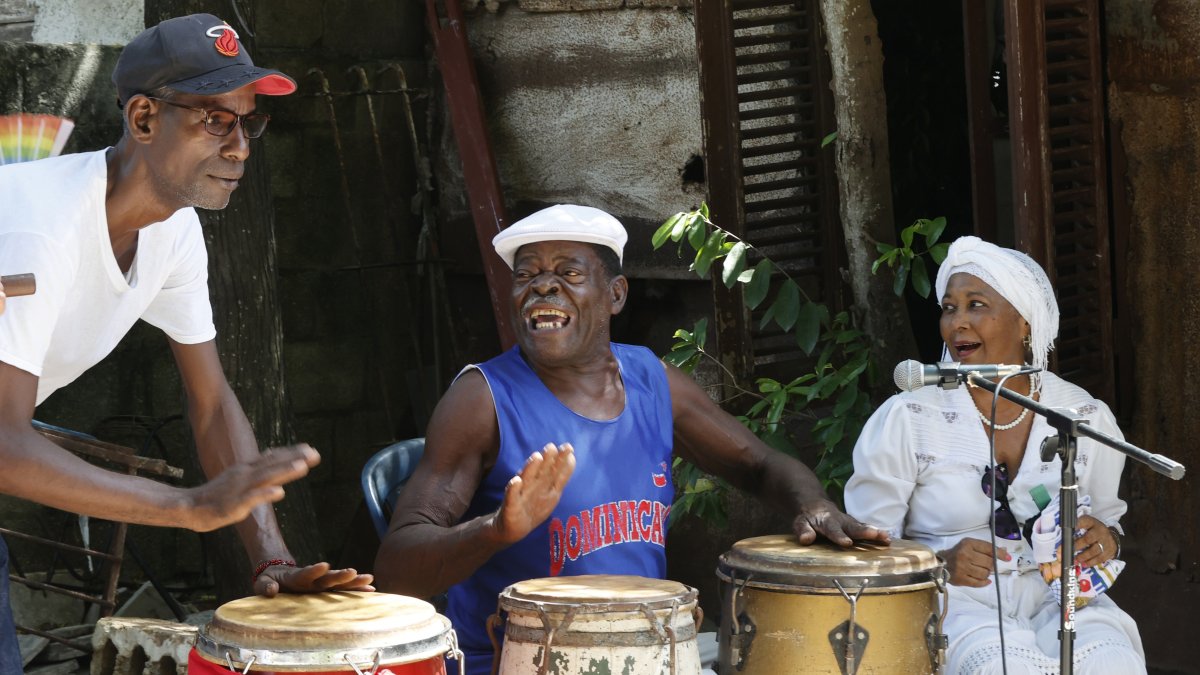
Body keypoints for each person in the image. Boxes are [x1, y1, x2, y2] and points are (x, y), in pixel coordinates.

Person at [0, 13, 372, 672]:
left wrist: (270, 556)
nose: (241, 148)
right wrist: (189, 506)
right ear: (143, 119)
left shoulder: (173, 231)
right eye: (215, 121)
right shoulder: (35, 225)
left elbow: (210, 401)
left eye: (248, 122)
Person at [373, 203, 889, 673]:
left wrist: (812, 503)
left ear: (615, 294)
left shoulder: (650, 381)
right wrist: (495, 530)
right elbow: (396, 569)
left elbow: (757, 464)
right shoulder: (481, 398)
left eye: (569, 273)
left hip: (648, 656)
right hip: (517, 662)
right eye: (526, 275)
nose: (543, 287)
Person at [844, 236, 1145, 674]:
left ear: (1025, 323)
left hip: (1061, 599)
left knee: (1111, 663)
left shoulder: (1080, 415)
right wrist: (938, 563)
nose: (958, 323)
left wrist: (1104, 540)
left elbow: (1107, 521)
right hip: (953, 605)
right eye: (950, 308)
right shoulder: (910, 417)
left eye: (976, 305)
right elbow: (865, 549)